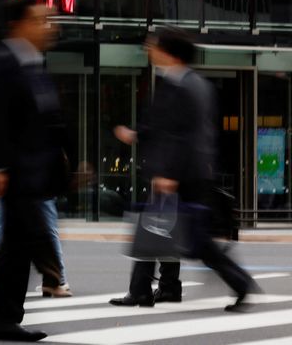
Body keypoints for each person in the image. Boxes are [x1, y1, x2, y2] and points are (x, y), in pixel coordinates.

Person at [109, 28, 258, 311]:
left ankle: (239, 282)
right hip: (182, 172)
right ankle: (144, 290)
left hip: (183, 175)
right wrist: (136, 134)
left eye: (153, 45)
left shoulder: (185, 86)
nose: (148, 49)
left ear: (169, 52)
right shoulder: (182, 82)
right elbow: (165, 126)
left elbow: (186, 135)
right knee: (154, 229)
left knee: (195, 240)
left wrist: (170, 174)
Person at [0, 0, 70, 342]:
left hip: (36, 172)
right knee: (24, 241)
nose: (49, 27)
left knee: (17, 245)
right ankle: (6, 316)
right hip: (17, 171)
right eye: (41, 20)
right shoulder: (5, 62)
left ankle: (4, 317)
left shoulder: (34, 63)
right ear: (19, 24)